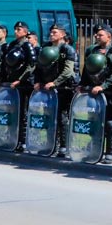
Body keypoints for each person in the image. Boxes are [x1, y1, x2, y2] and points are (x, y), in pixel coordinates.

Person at [81, 25, 112, 163]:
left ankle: (111, 152)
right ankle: (95, 150)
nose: (97, 37)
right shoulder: (91, 50)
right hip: (93, 92)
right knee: (93, 121)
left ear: (109, 36)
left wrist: (103, 86)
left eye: (100, 35)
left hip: (109, 92)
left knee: (109, 122)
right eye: (96, 35)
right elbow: (86, 69)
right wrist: (82, 85)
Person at [35, 23, 78, 156]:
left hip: (64, 88)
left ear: (62, 34)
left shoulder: (67, 49)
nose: (51, 34)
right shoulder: (45, 47)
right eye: (51, 32)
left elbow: (68, 71)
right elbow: (39, 66)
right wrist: (38, 81)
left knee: (62, 117)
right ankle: (50, 144)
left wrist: (55, 83)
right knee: (48, 116)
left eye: (55, 32)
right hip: (47, 89)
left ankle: (64, 146)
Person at [0, 21, 36, 152]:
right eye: (15, 29)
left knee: (23, 113)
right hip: (11, 84)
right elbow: (5, 63)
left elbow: (32, 64)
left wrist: (20, 80)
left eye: (19, 29)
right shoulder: (12, 45)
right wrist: (3, 79)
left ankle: (23, 141)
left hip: (23, 85)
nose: (16, 32)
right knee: (11, 111)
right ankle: (11, 138)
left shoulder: (27, 45)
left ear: (25, 32)